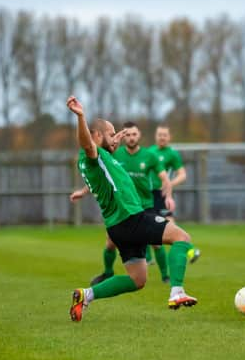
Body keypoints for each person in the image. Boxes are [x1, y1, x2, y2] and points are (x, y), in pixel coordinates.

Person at [66, 96, 198, 322]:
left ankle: (86, 295)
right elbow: (88, 143)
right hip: (130, 217)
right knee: (182, 238)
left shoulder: (103, 157)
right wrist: (81, 117)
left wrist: (111, 142)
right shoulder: (91, 154)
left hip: (118, 225)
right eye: (110, 133)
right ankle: (177, 291)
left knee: (137, 280)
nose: (115, 137)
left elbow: (103, 158)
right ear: (97, 136)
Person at [71, 122, 177, 285]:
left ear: (139, 135)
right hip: (124, 209)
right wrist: (84, 191)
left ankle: (165, 276)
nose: (130, 137)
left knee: (155, 244)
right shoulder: (114, 154)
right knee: (112, 243)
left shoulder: (148, 155)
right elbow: (101, 173)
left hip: (143, 204)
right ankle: (108, 272)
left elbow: (165, 179)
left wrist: (168, 196)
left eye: (133, 134)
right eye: (125, 135)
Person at [146, 125, 200, 263]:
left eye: (165, 135)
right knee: (147, 229)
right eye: (160, 134)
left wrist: (170, 184)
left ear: (169, 137)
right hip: (146, 195)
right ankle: (148, 258)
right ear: (155, 136)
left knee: (171, 226)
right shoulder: (149, 152)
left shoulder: (172, 154)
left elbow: (182, 175)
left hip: (162, 196)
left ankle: (191, 251)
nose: (162, 137)